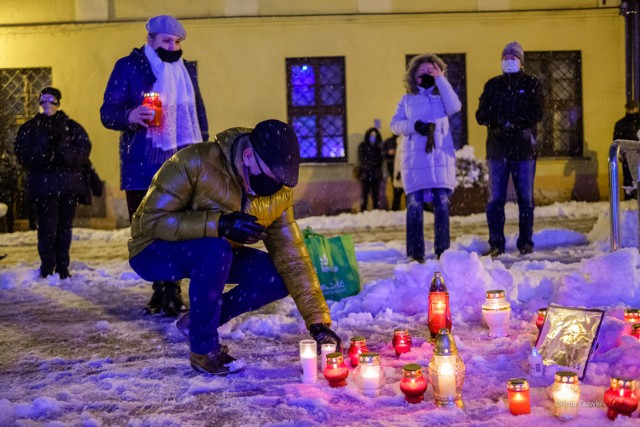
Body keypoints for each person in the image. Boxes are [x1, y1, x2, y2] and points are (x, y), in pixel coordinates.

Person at [127, 119, 342, 376]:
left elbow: (292, 255)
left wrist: (318, 323)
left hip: (216, 252)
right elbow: (153, 221)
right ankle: (204, 350)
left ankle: (198, 322)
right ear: (249, 156)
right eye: (271, 177)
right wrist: (220, 224)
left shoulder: (279, 192)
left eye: (281, 182)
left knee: (276, 277)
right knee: (214, 248)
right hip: (153, 249)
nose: (274, 187)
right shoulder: (195, 162)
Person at [101, 14, 209, 316]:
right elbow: (108, 112)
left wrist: (205, 153)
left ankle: (172, 288)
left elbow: (198, 115)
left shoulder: (187, 71)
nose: (173, 47)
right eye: (166, 41)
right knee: (147, 230)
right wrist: (129, 116)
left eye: (177, 42)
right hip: (142, 164)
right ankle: (158, 287)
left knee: (178, 227)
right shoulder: (129, 66)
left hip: (181, 163)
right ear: (151, 40)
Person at [14, 87, 92, 279]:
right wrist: (42, 156)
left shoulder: (71, 127)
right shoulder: (30, 128)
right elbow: (21, 152)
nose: (48, 103)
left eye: (52, 99)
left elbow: (83, 150)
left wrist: (64, 155)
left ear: (58, 102)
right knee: (47, 228)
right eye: (44, 99)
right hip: (44, 187)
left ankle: (63, 267)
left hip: (67, 187)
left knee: (64, 228)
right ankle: (47, 267)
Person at [390, 53, 461, 262]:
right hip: (415, 161)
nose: (427, 76)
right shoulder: (407, 100)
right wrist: (414, 126)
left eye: (432, 71)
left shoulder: (443, 98)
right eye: (422, 73)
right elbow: (394, 125)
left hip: (440, 160)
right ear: (413, 76)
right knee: (414, 205)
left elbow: (455, 107)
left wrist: (441, 79)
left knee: (442, 203)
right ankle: (416, 252)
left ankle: (443, 250)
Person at [476, 41, 544, 257]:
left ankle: (526, 244)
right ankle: (496, 243)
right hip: (497, 151)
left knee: (526, 200)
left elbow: (538, 112)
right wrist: (497, 124)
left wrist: (514, 123)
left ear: (521, 62)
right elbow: (481, 114)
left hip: (523, 150)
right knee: (495, 200)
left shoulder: (532, 84)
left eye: (513, 58)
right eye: (505, 58)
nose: (508, 61)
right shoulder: (493, 85)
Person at [613, 100, 640, 200]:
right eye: (630, 108)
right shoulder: (621, 124)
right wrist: (620, 153)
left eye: (634, 108)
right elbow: (617, 140)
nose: (632, 110)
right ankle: (630, 199)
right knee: (629, 179)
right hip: (627, 155)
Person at [356, 128, 384, 211]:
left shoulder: (378, 147)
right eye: (371, 135)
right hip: (365, 174)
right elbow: (362, 159)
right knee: (364, 194)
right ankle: (363, 210)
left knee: (375, 195)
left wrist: (373, 162)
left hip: (376, 175)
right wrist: (372, 162)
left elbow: (381, 159)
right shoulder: (363, 146)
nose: (373, 137)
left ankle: (375, 210)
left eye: (375, 136)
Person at [382, 134, 404, 211]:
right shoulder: (391, 141)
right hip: (394, 170)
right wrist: (388, 152)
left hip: (404, 171)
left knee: (407, 193)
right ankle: (396, 211)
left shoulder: (407, 139)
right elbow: (383, 153)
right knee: (397, 192)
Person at [0, 150, 18, 233]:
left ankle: (6, 229)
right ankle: (10, 229)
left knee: (5, 213)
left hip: (4, 193)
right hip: (8, 194)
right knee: (9, 213)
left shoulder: (2, 169)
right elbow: (14, 182)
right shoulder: (12, 169)